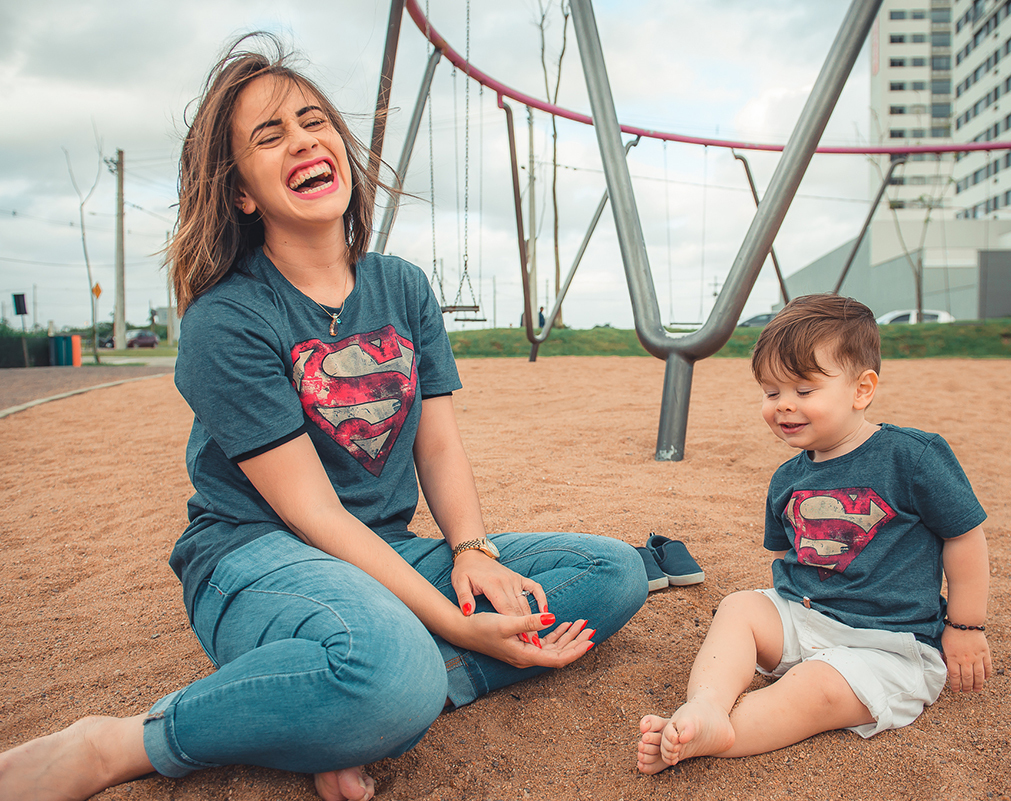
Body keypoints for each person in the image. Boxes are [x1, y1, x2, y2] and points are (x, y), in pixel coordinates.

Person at [0, 34, 645, 801]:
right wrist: (455, 619)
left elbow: (437, 444)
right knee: (390, 667)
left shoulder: (400, 285)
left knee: (612, 573)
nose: (303, 140)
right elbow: (310, 511)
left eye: (313, 122)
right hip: (257, 557)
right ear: (241, 192)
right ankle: (123, 742)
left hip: (388, 551)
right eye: (268, 136)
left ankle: (342, 712)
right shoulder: (227, 319)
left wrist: (472, 549)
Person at [637, 294, 990, 774]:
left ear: (861, 389)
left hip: (888, 643)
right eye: (770, 392)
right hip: (808, 618)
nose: (784, 407)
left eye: (804, 391)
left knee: (815, 689)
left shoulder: (913, 457)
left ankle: (720, 737)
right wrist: (778, 620)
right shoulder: (787, 478)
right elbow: (787, 556)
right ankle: (705, 704)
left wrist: (966, 627)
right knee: (741, 605)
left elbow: (964, 537)